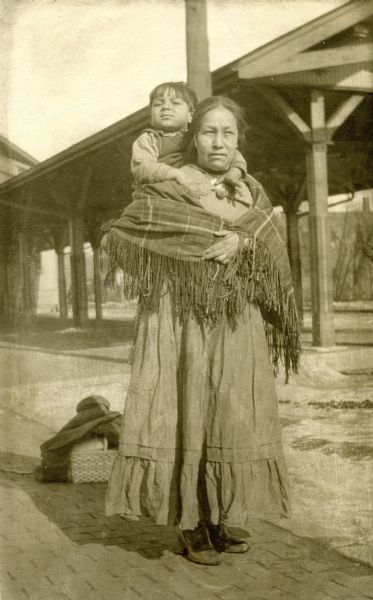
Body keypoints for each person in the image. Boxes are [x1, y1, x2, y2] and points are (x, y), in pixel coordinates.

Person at [103, 96, 301, 566]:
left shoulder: (252, 193)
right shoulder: (170, 185)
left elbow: (270, 254)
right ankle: (190, 523)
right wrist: (187, 248)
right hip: (178, 321)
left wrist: (242, 241)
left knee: (228, 414)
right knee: (185, 411)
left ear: (238, 141)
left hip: (237, 324)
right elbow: (123, 231)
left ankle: (219, 517)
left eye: (228, 133)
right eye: (209, 131)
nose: (218, 141)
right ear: (194, 137)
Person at [131, 81, 249, 202]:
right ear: (150, 114)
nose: (165, 107)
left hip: (192, 187)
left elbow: (232, 154)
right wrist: (175, 174)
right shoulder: (149, 138)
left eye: (175, 103)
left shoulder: (196, 136)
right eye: (158, 104)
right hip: (158, 191)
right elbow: (142, 168)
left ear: (191, 115)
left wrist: (235, 171)